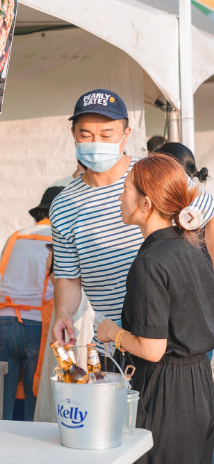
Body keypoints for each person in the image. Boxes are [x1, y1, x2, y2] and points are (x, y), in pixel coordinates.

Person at [49, 89, 214, 359]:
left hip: (179, 342)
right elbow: (68, 276)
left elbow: (209, 213)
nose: (95, 142)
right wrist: (64, 313)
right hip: (115, 343)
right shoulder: (64, 205)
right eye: (86, 135)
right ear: (73, 134)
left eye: (106, 135)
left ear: (125, 135)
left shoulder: (155, 174)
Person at [97, 153, 214, 464]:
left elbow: (151, 349)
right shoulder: (193, 245)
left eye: (126, 190)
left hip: (164, 393)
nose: (120, 198)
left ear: (146, 204)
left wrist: (113, 332)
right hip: (201, 384)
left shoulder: (151, 260)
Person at [0, 186, 63, 421]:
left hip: (0, 321)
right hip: (37, 325)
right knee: (35, 398)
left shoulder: (16, 235)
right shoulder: (60, 238)